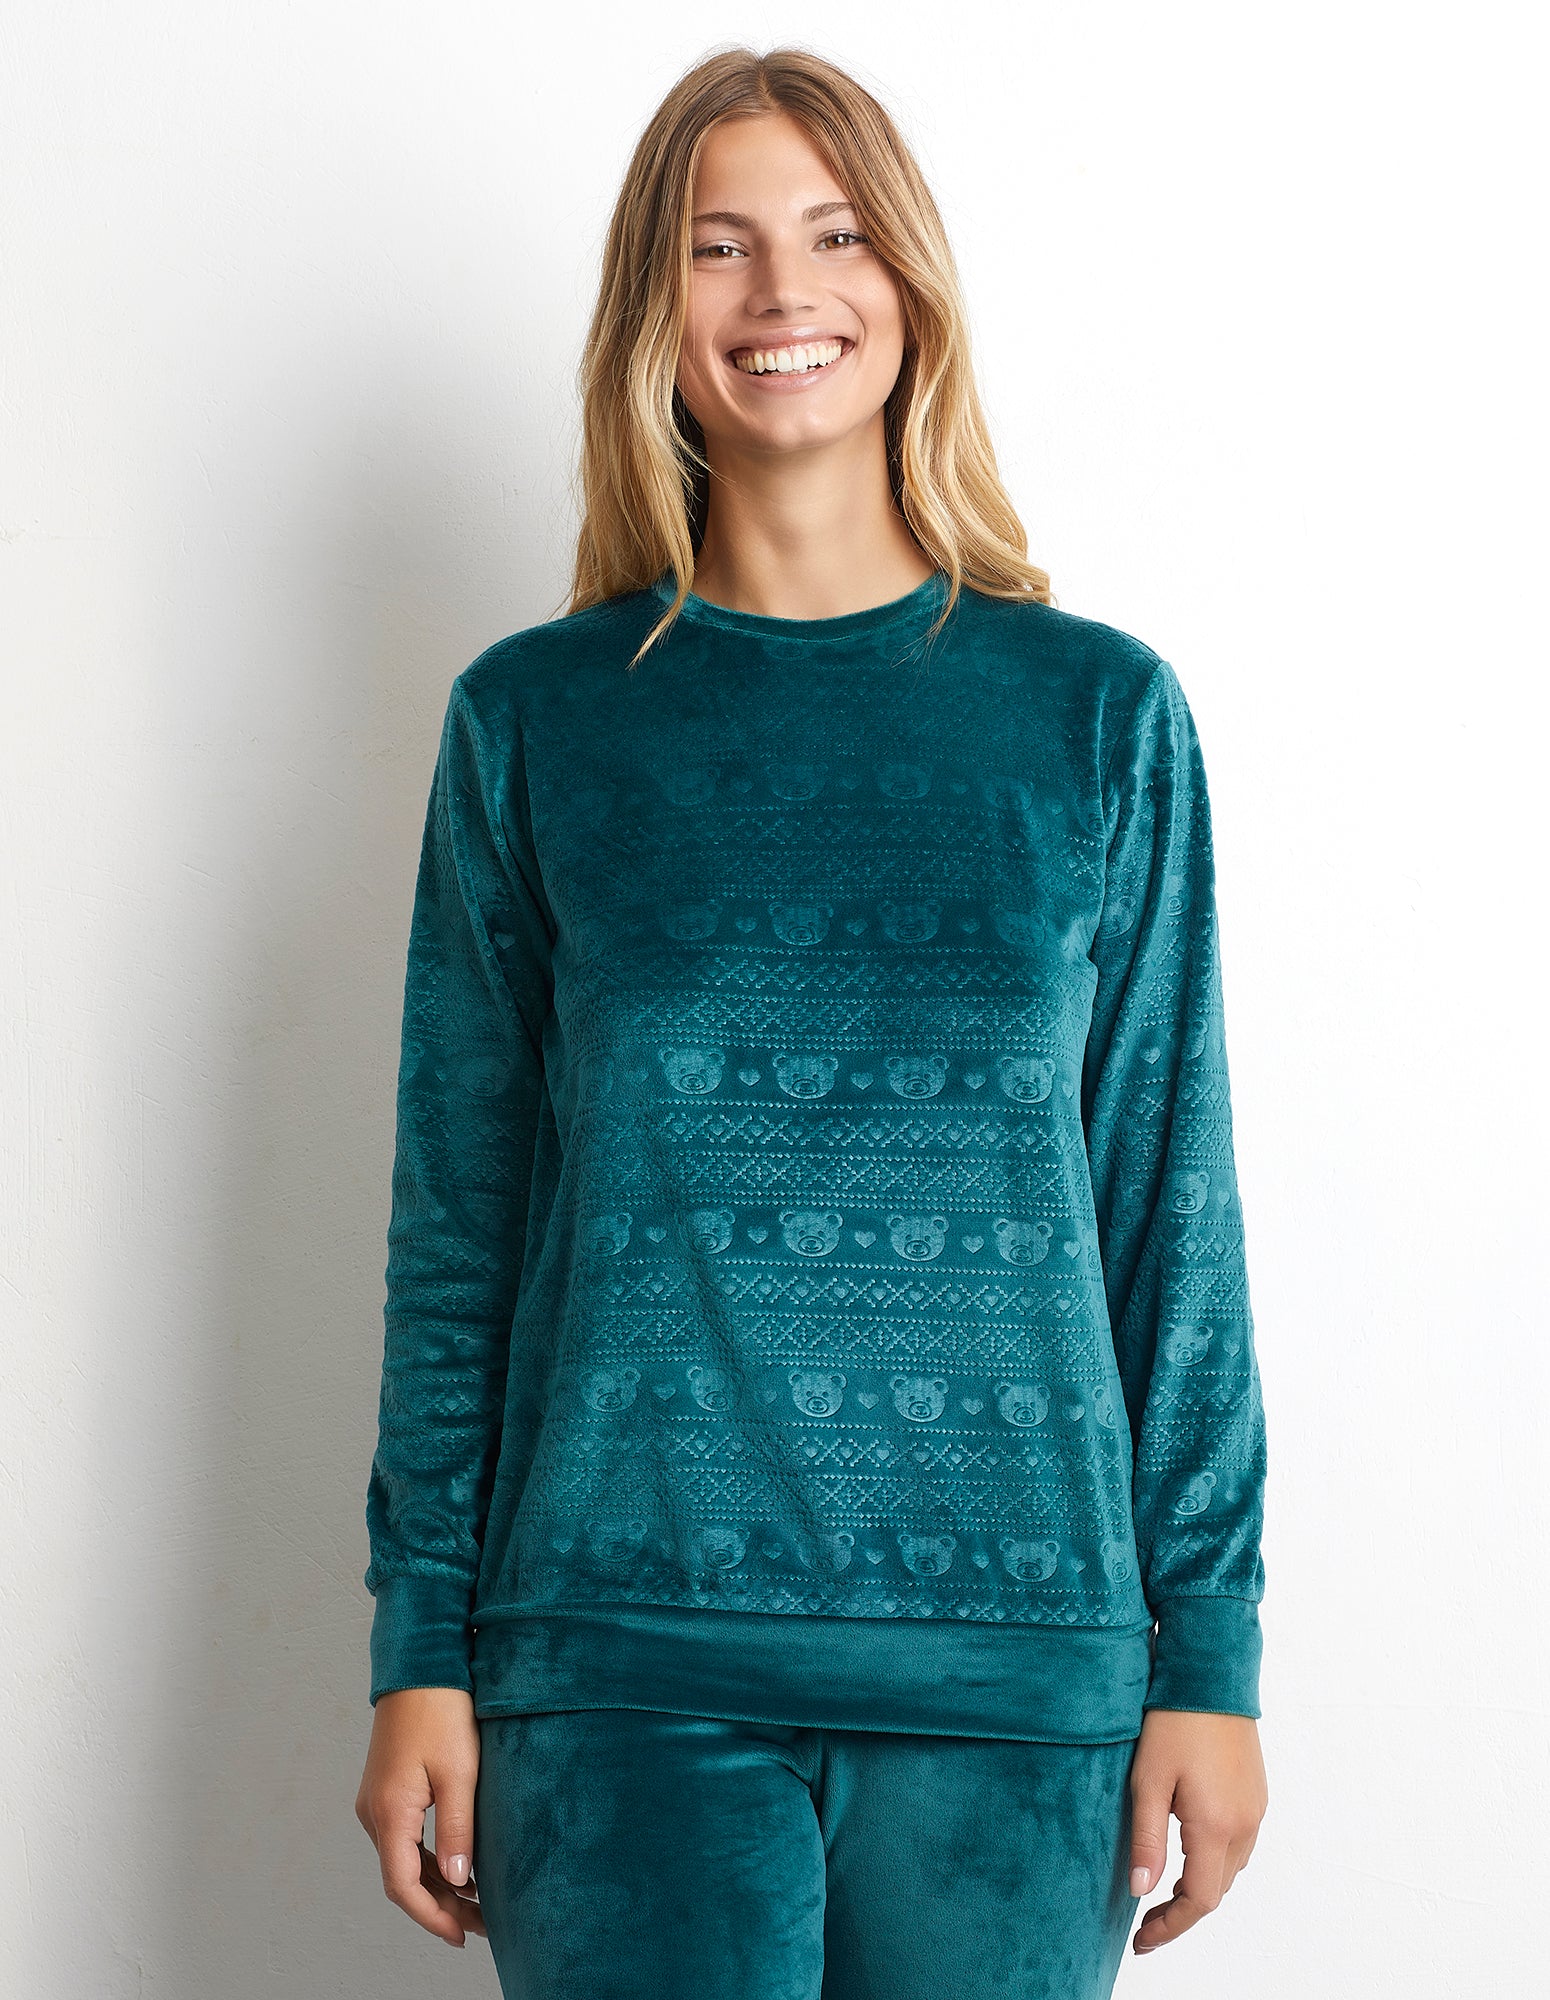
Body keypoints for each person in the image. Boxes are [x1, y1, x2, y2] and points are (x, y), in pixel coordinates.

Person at [353, 44, 1270, 2000]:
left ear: (909, 286)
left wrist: (1210, 1655)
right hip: (617, 1678)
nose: (782, 291)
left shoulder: (1093, 717)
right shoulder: (535, 722)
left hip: (1016, 1690)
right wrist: (417, 1644)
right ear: (654, 315)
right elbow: (461, 1227)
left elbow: (1165, 1207)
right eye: (719, 246)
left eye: (835, 236)